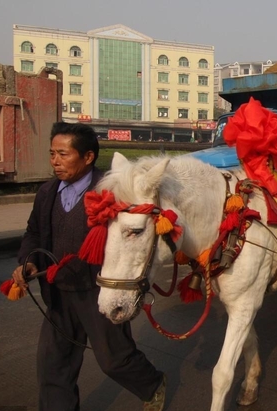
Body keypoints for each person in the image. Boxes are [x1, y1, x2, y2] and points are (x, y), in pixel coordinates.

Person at [11, 122, 166, 411]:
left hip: (98, 289)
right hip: (58, 292)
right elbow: (33, 232)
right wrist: (28, 261)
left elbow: (135, 233)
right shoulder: (47, 193)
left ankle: (153, 384)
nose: (55, 161)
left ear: (88, 157)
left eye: (63, 154)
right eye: (52, 153)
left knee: (114, 360)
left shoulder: (111, 190)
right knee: (52, 365)